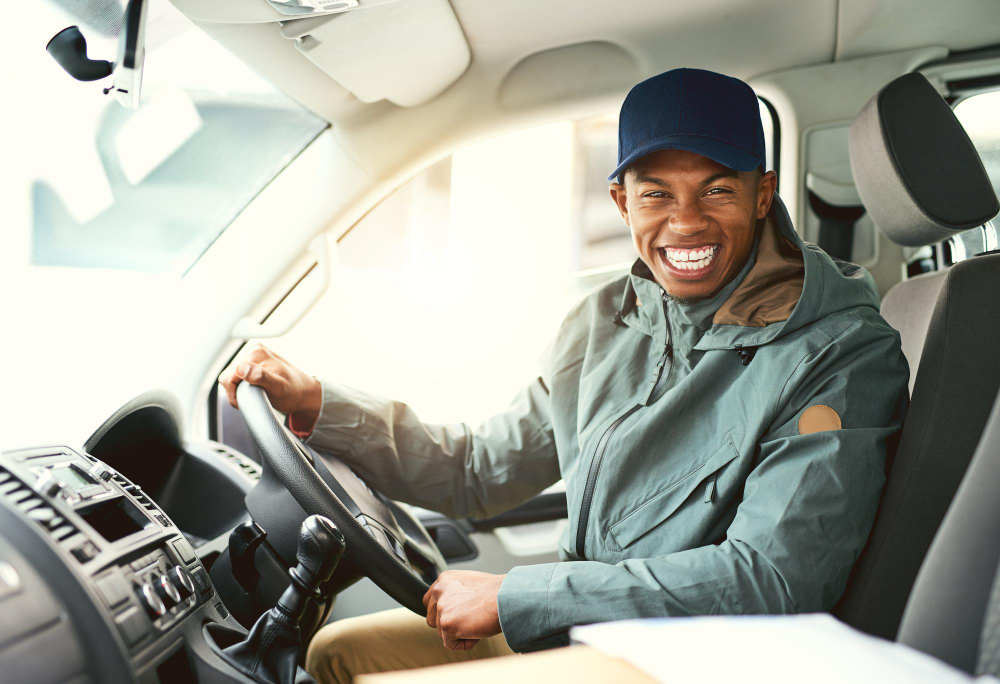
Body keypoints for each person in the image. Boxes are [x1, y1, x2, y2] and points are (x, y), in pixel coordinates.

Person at [219, 68, 909, 683]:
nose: (686, 222)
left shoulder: (839, 353)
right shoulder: (602, 321)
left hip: (695, 659)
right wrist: (322, 405)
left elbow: (775, 579)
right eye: (656, 194)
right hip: (583, 630)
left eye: (717, 190)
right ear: (621, 201)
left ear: (763, 195)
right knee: (340, 653)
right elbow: (478, 470)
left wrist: (521, 596)